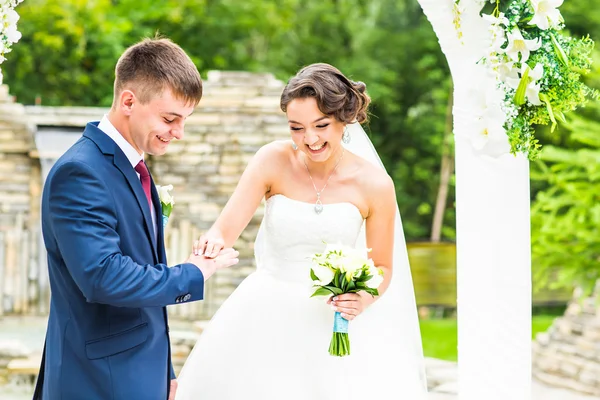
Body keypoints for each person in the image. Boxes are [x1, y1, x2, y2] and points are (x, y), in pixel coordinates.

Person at [175, 63, 428, 399]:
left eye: (321, 125)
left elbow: (383, 266)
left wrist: (363, 297)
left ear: (344, 118)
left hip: (332, 319)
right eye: (296, 127)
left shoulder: (376, 184)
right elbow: (224, 231)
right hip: (264, 315)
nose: (309, 139)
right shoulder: (271, 160)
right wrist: (210, 245)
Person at [33, 37, 239, 400]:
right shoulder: (80, 172)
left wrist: (165, 372)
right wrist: (192, 273)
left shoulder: (135, 167)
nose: (178, 132)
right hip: (97, 380)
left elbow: (143, 285)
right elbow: (103, 276)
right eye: (170, 118)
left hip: (138, 372)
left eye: (185, 120)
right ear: (128, 100)